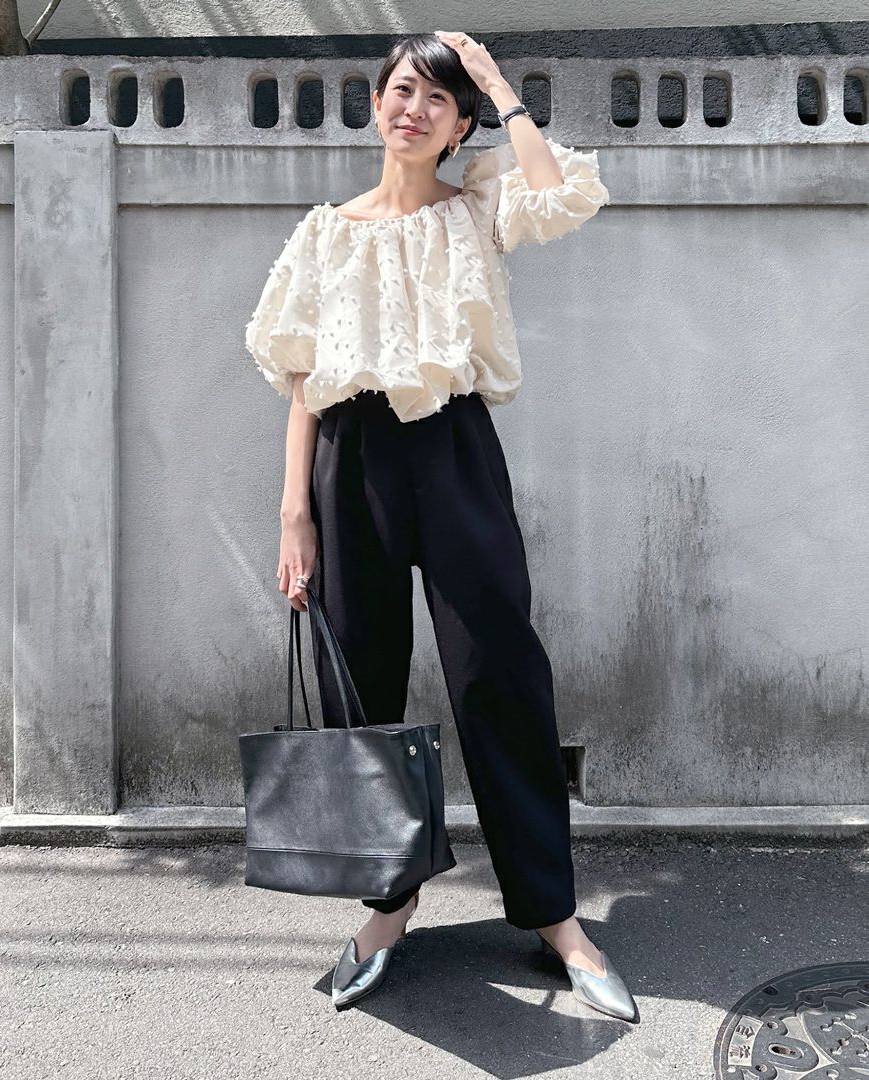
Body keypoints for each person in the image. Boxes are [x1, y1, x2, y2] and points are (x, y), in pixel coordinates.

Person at [244, 31, 636, 1022]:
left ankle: (554, 916)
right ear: (377, 104)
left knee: (499, 672)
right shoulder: (326, 232)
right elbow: (301, 379)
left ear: (460, 126)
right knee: (361, 686)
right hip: (348, 462)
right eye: (402, 90)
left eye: (438, 99)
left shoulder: (478, 209)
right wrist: (294, 513)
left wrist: (498, 84)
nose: (413, 108)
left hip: (455, 452)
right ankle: (390, 904)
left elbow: (563, 194)